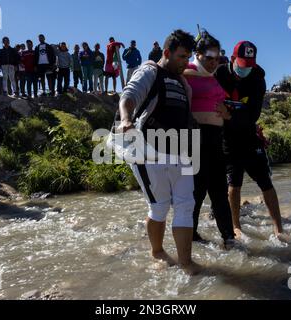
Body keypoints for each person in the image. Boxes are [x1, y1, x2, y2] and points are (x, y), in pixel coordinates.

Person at [117, 30, 200, 275]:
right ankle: (157, 251)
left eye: (189, 57)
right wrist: (125, 119)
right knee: (160, 207)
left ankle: (186, 263)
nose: (187, 62)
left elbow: (185, 117)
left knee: (186, 205)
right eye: (182, 57)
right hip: (147, 151)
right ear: (167, 53)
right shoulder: (150, 71)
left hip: (180, 152)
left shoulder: (185, 84)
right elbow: (128, 96)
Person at [215, 41, 286, 240]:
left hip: (248, 134)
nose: (245, 69)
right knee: (234, 181)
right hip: (227, 137)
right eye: (242, 64)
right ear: (232, 59)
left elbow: (253, 115)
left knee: (265, 181)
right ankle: (236, 225)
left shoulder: (257, 79)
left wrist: (229, 116)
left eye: (249, 65)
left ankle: (278, 228)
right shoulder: (219, 74)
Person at [183, 29, 235, 246]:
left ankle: (229, 239)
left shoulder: (214, 79)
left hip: (216, 140)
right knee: (195, 193)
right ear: (198, 54)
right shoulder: (186, 73)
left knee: (220, 193)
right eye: (209, 58)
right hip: (193, 140)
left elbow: (226, 108)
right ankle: (191, 238)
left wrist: (227, 113)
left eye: (217, 58)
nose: (214, 62)